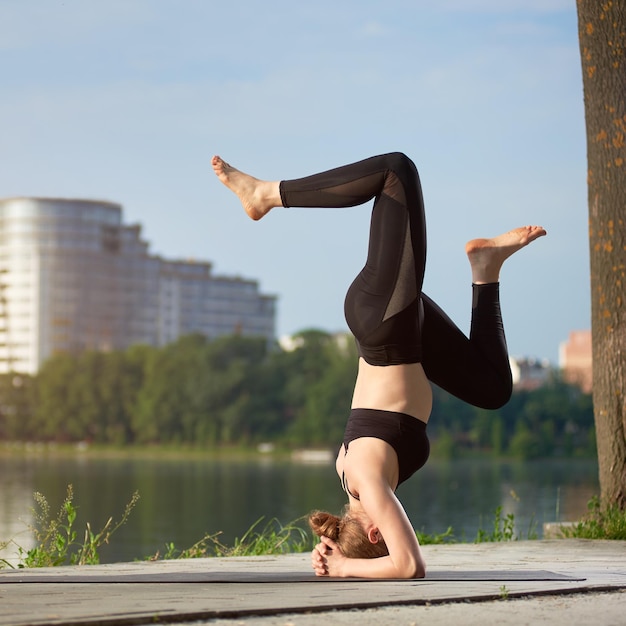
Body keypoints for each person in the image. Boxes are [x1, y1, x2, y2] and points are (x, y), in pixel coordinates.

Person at [211, 152, 546, 579]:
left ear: (375, 535)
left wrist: (345, 566)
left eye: (387, 529)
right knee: (493, 389)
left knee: (395, 171)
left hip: (385, 323)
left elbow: (409, 566)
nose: (398, 522)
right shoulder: (349, 475)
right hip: (407, 333)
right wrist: (332, 548)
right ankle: (485, 267)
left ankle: (264, 195)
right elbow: (370, 538)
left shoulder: (367, 482)